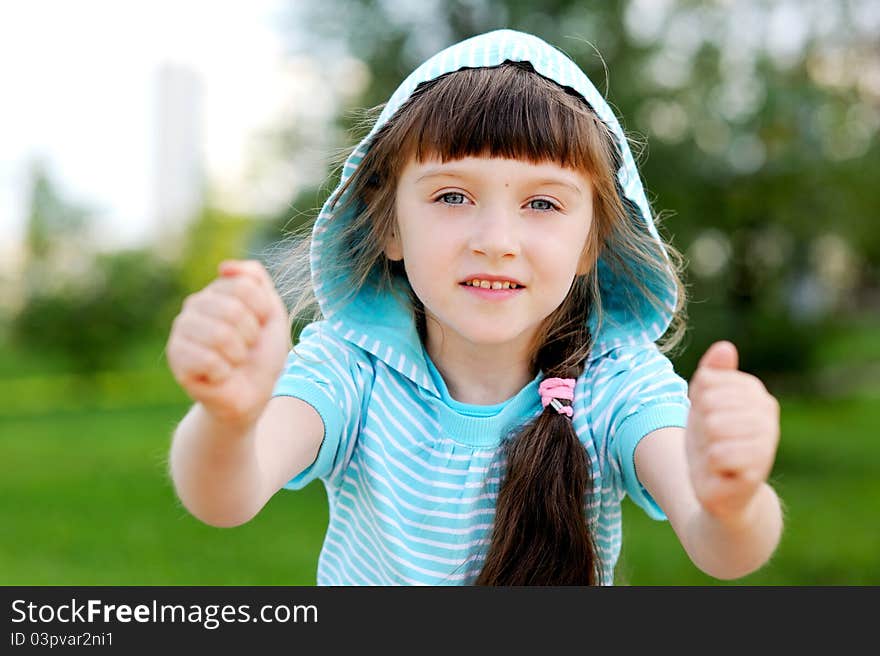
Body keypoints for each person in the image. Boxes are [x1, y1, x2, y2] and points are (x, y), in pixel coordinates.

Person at [166, 29, 783, 585]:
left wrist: (734, 499)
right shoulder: (350, 368)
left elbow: (722, 551)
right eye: (454, 195)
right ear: (391, 226)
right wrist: (228, 419)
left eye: (543, 204)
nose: (495, 240)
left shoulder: (619, 385)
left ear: (591, 240)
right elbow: (226, 498)